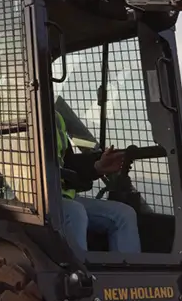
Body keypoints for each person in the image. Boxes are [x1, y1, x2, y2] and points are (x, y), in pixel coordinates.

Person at [55, 109, 142, 255]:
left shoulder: (56, 117)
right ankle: (80, 274)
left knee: (124, 215)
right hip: (31, 201)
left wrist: (97, 167)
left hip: (63, 195)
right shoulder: (16, 114)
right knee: (75, 212)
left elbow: (66, 162)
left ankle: (127, 276)